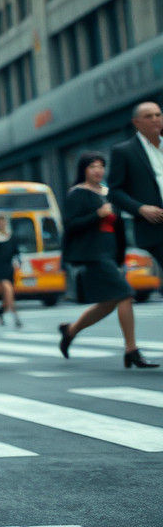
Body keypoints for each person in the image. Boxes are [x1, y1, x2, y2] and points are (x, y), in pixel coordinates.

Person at [59, 152, 158, 368]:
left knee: (108, 304)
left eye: (101, 167)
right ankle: (131, 350)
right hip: (91, 254)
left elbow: (119, 230)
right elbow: (70, 225)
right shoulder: (77, 194)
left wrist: (121, 257)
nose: (98, 170)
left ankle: (70, 330)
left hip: (110, 253)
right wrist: (97, 214)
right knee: (125, 294)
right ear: (84, 170)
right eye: (93, 166)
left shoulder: (108, 193)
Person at [107, 101, 163, 291]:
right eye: (149, 116)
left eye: (158, 114)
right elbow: (114, 192)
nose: (155, 119)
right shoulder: (124, 151)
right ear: (136, 122)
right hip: (155, 227)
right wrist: (140, 208)